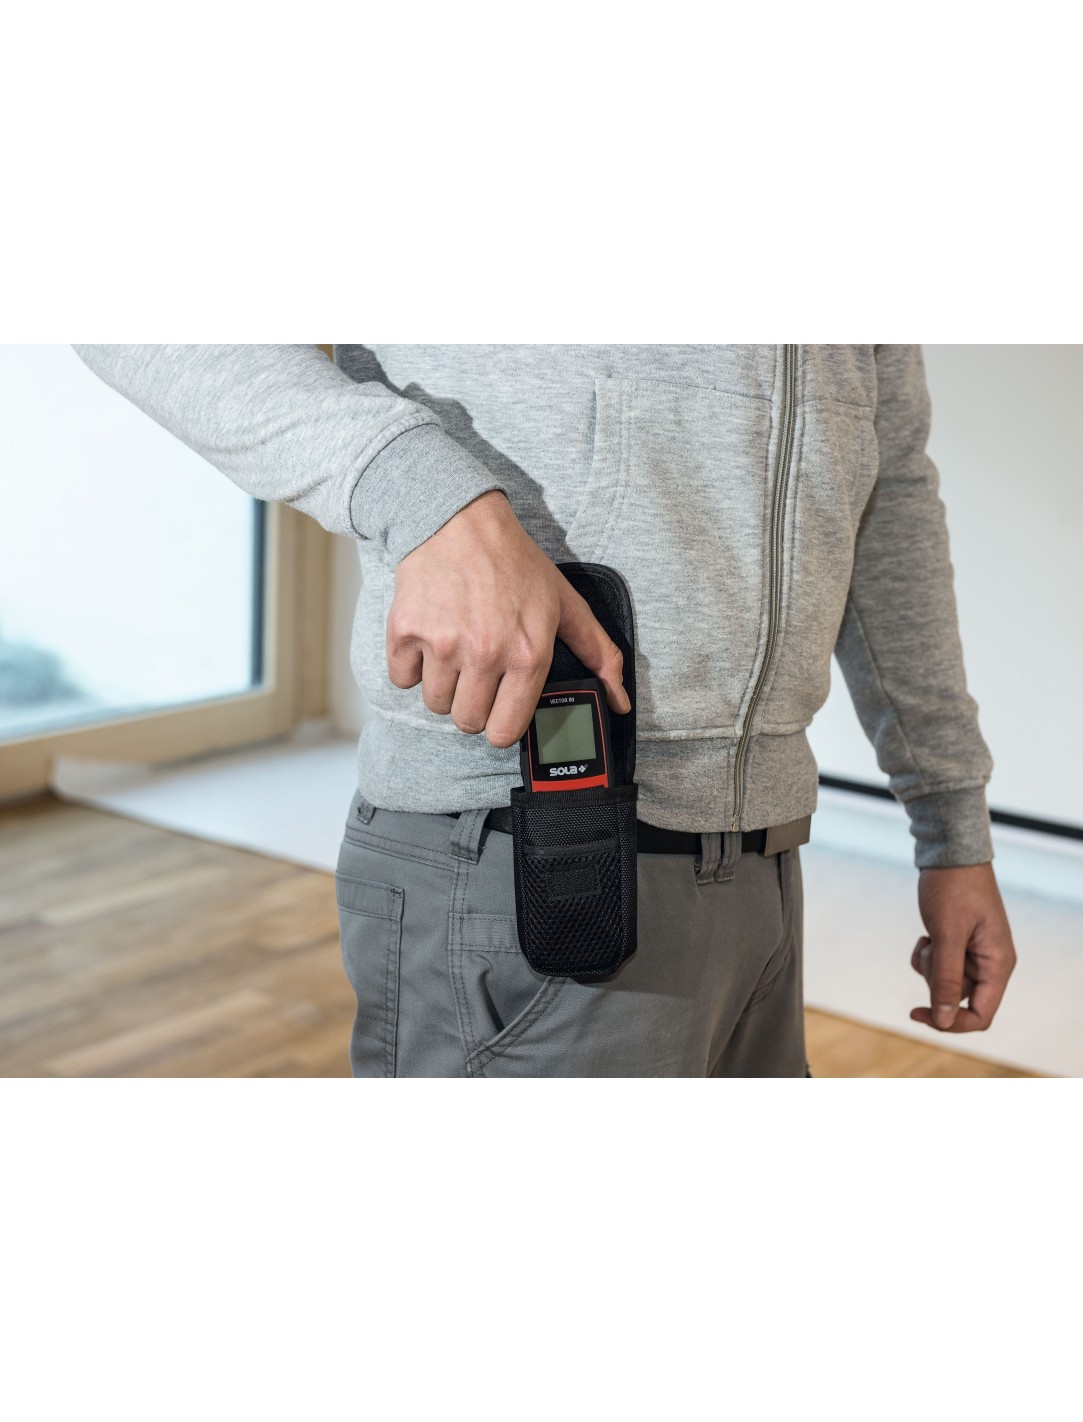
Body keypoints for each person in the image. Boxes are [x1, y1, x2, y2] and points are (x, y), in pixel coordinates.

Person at [72, 343, 1018, 1077]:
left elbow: (887, 488)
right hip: (522, 849)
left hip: (763, 871)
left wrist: (953, 829)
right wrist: (427, 496)